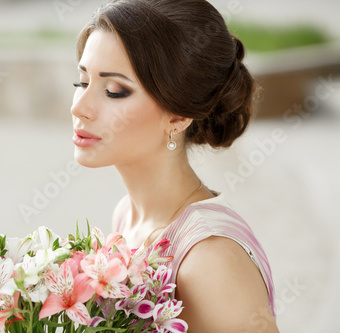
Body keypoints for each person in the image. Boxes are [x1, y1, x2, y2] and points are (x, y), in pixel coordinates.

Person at [70, 0, 278, 332]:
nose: (80, 107)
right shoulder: (128, 215)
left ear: (178, 116)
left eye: (114, 91)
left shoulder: (210, 259)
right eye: (81, 82)